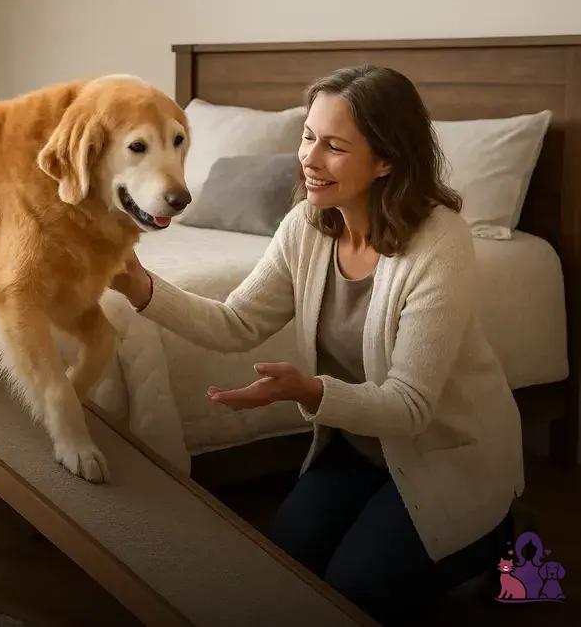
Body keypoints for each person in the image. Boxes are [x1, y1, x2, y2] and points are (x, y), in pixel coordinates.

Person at [109, 65, 523, 624]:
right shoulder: (308, 223)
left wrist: (310, 391)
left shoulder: (439, 243)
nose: (308, 157)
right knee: (283, 572)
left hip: (444, 456)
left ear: (386, 160)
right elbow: (237, 322)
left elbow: (411, 406)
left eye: (334, 146)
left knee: (354, 591)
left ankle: (495, 531)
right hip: (359, 446)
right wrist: (141, 288)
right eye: (308, 136)